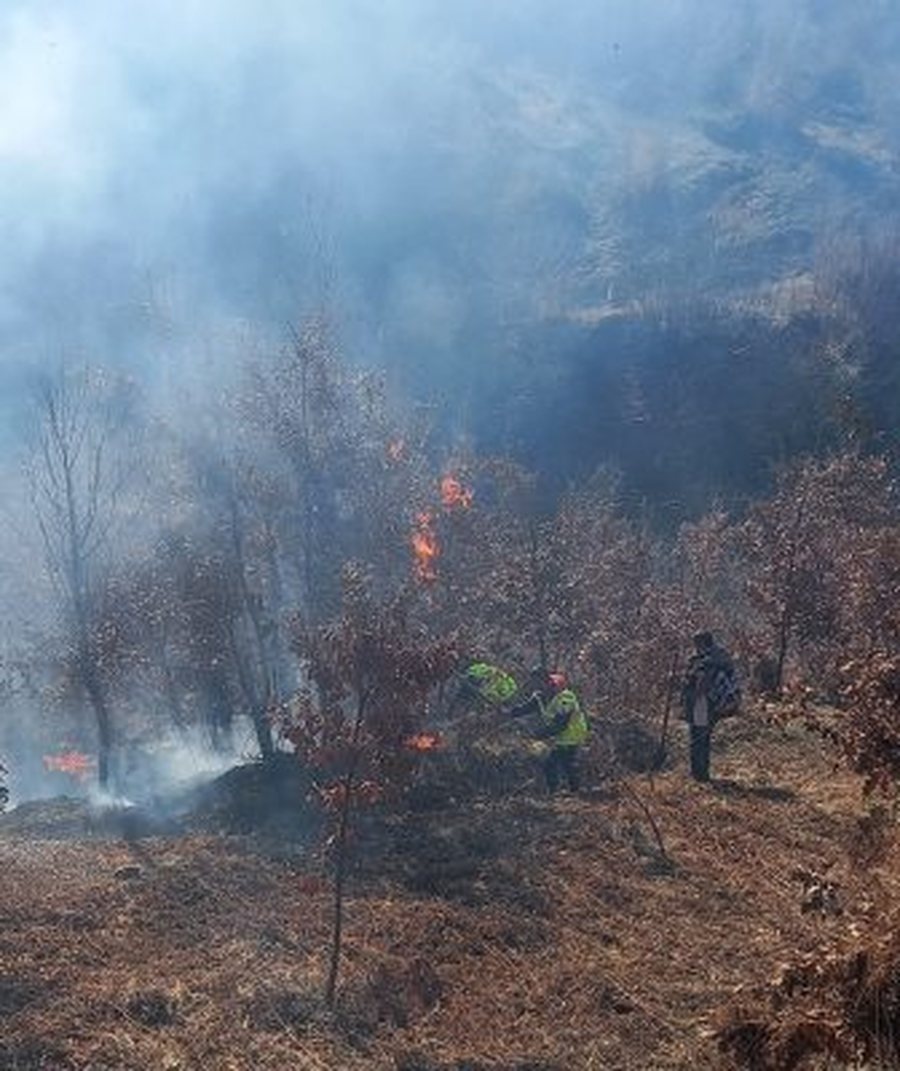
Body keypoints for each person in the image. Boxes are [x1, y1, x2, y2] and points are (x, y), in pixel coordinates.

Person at [509, 666, 590, 793]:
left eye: (539, 683)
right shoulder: (540, 696)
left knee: (563, 763)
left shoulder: (565, 698)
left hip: (572, 734)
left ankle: (571, 792)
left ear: (547, 682)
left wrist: (537, 735)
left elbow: (560, 725)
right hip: (561, 736)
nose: (536, 686)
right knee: (558, 764)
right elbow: (525, 708)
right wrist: (510, 713)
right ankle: (562, 791)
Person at [681, 631, 740, 782]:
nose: (694, 647)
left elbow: (702, 684)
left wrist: (689, 692)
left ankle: (699, 775)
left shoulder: (706, 661)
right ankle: (701, 773)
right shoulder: (720, 657)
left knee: (698, 738)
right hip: (715, 704)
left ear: (701, 643)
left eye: (696, 644)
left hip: (702, 704)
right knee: (703, 737)